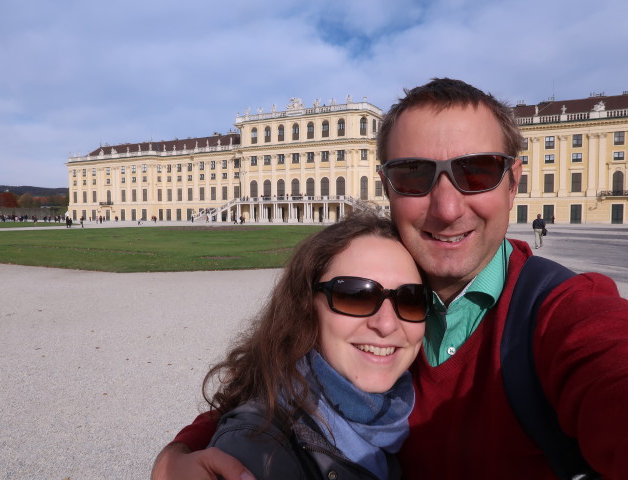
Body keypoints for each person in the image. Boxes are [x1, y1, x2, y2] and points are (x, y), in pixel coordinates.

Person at [152, 78, 628, 479]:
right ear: (387, 187)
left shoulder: (565, 312)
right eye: (414, 174)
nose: (446, 209)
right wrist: (183, 451)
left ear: (514, 180)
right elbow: (279, 372)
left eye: (477, 171)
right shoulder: (375, 286)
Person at [155, 212, 429, 479]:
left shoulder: (404, 405)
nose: (387, 324)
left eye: (411, 299)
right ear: (306, 306)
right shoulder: (256, 454)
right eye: (355, 296)